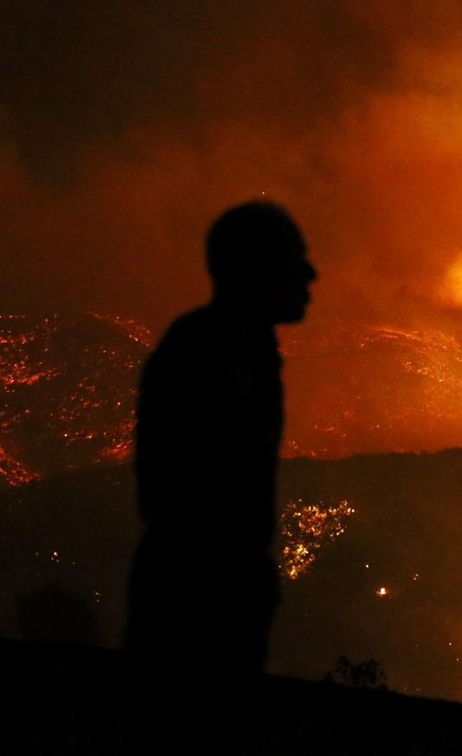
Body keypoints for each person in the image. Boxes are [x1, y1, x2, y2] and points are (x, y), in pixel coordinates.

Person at [125, 200, 317, 748]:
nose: (310, 275)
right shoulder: (212, 353)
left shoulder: (234, 349)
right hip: (197, 605)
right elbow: (187, 488)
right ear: (257, 269)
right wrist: (238, 570)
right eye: (295, 259)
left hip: (200, 593)